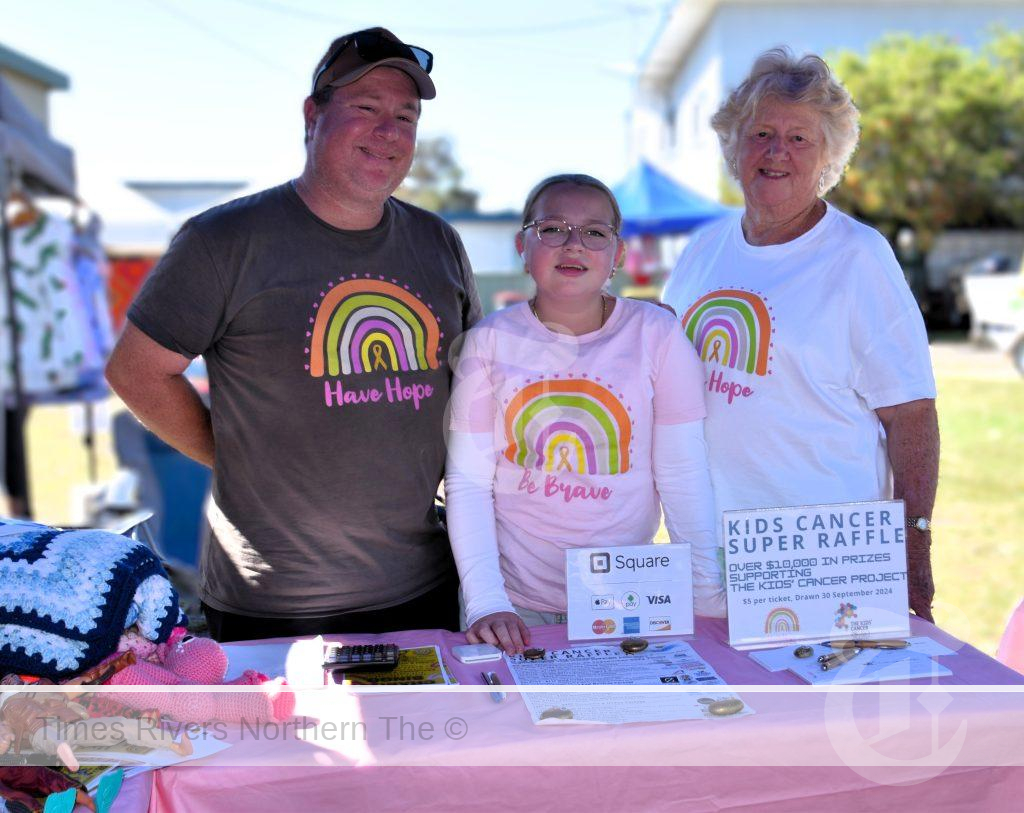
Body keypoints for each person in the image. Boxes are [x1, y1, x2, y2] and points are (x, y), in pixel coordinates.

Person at [105, 28, 482, 642]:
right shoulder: (223, 241)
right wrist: (231, 457)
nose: (388, 132)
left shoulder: (438, 243)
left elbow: (474, 382)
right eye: (365, 109)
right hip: (273, 601)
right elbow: (137, 371)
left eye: (405, 117)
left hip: (426, 585)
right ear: (314, 114)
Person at [662, 48, 939, 621]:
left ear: (829, 158)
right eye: (761, 132)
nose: (775, 152)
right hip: (710, 552)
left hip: (824, 556)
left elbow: (911, 414)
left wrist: (914, 555)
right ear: (733, 145)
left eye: (799, 138)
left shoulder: (858, 257)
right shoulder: (700, 252)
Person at [445, 174, 725, 654]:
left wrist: (705, 594)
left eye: (595, 232)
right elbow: (469, 483)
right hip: (515, 607)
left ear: (618, 255)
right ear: (523, 246)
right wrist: (487, 603)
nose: (573, 244)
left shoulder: (657, 335)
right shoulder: (487, 342)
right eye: (552, 228)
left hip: (629, 600)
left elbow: (681, 472)